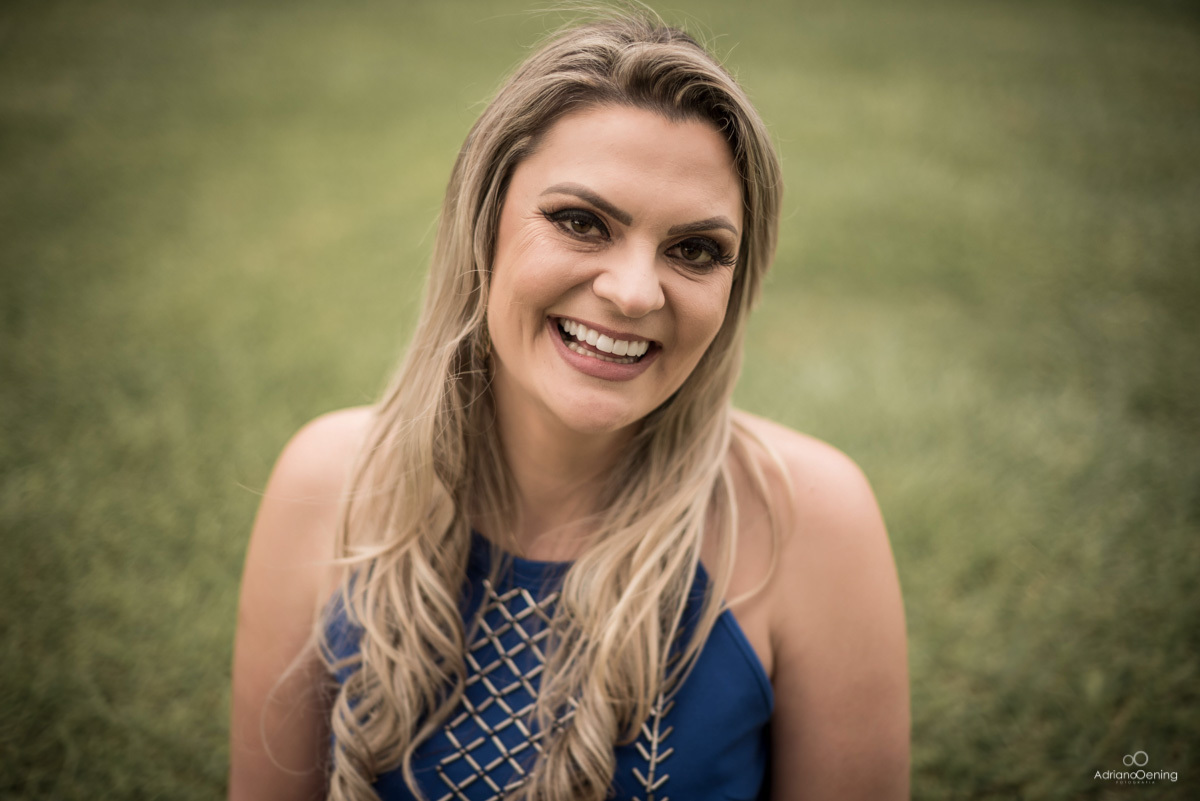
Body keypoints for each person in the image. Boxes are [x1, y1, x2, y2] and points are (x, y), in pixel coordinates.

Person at [229, 12, 909, 801]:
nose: (632, 291)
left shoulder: (810, 521)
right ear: (482, 226)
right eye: (581, 222)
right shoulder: (329, 484)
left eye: (695, 250)